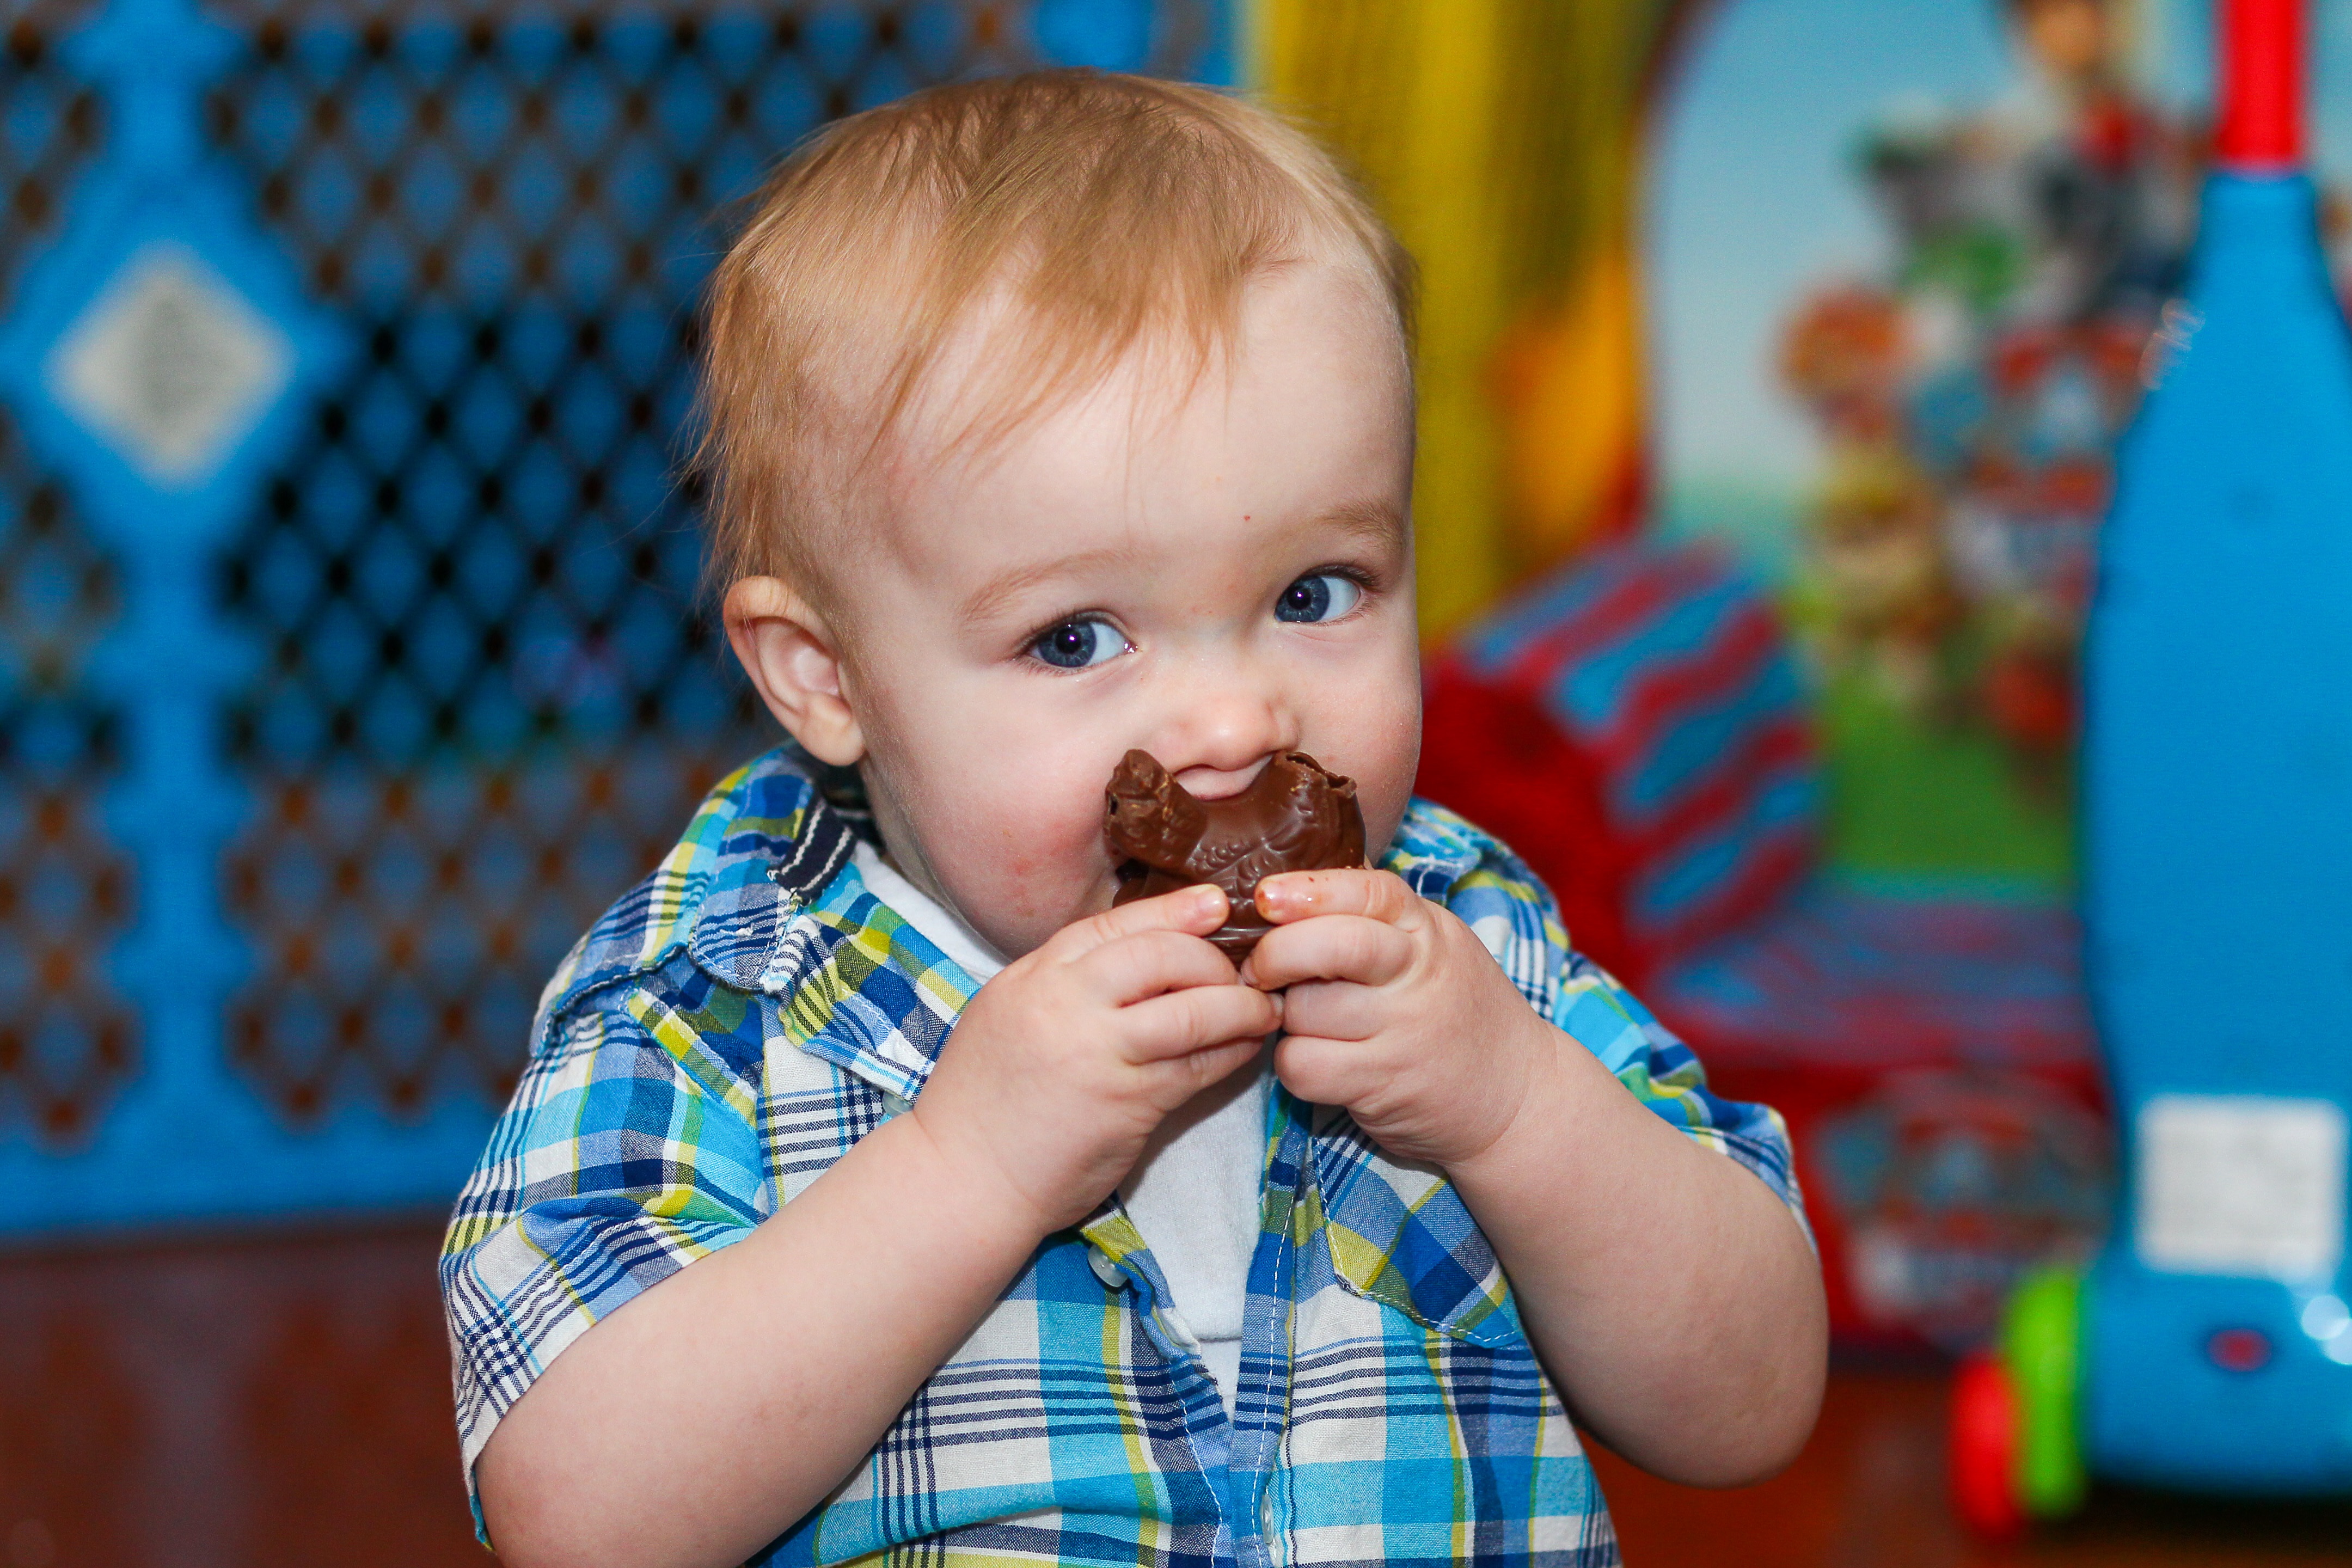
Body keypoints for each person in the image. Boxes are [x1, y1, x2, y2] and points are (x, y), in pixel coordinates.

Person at [440, 70, 1824, 1568]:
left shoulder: (1470, 936)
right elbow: (576, 1518)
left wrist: (1514, 1108)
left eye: (1315, 595)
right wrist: (968, 1169)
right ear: (827, 677)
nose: (1237, 729)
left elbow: (1747, 1406)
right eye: (1078, 639)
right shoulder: (715, 999)